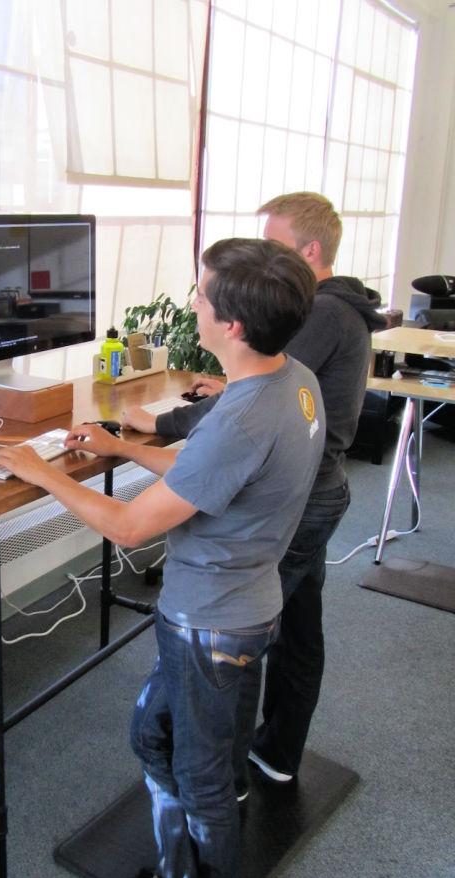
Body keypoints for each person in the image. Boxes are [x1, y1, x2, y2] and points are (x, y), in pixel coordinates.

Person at [0, 238, 324, 878]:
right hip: (246, 602)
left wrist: (42, 472)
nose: (194, 303)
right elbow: (206, 467)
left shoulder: (242, 415)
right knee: (167, 739)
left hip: (210, 623)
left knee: (189, 763)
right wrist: (120, 449)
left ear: (231, 325)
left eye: (202, 295)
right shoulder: (291, 378)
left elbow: (126, 525)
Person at [123, 192, 384, 788]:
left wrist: (162, 424)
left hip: (292, 500)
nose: (262, 257)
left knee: (240, 645)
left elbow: (246, 406)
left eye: (273, 244)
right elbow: (255, 388)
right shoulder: (331, 316)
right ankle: (274, 752)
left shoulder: (318, 315)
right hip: (317, 491)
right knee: (294, 629)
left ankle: (221, 774)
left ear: (309, 252)